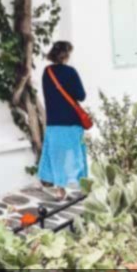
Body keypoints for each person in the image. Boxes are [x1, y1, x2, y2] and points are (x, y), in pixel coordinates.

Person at [37, 40, 88, 201]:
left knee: (57, 155)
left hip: (54, 122)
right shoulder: (71, 72)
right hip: (72, 122)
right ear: (66, 55)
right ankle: (83, 187)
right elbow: (81, 95)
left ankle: (60, 190)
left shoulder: (47, 72)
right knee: (77, 154)